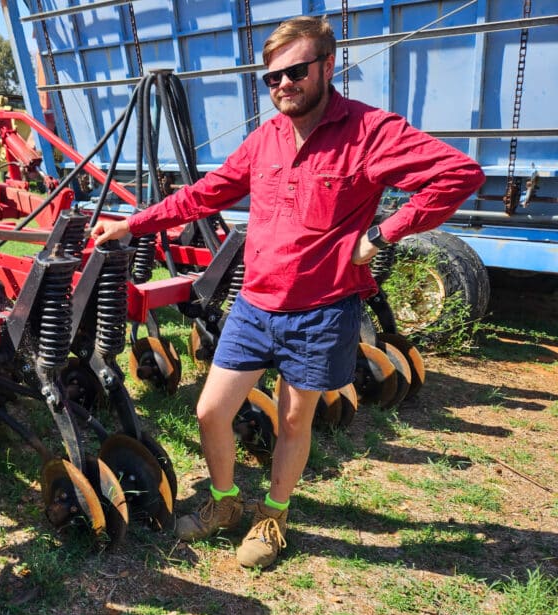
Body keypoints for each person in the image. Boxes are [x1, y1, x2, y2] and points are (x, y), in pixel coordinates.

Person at [90, 15, 484, 569]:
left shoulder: (370, 133)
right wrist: (134, 224)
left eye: (295, 71)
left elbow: (458, 174)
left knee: (294, 422)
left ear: (328, 66)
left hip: (322, 313)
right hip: (255, 307)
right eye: (271, 77)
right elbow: (204, 194)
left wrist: (383, 233)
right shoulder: (266, 138)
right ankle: (225, 504)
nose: (282, 85)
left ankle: (273, 514)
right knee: (209, 411)